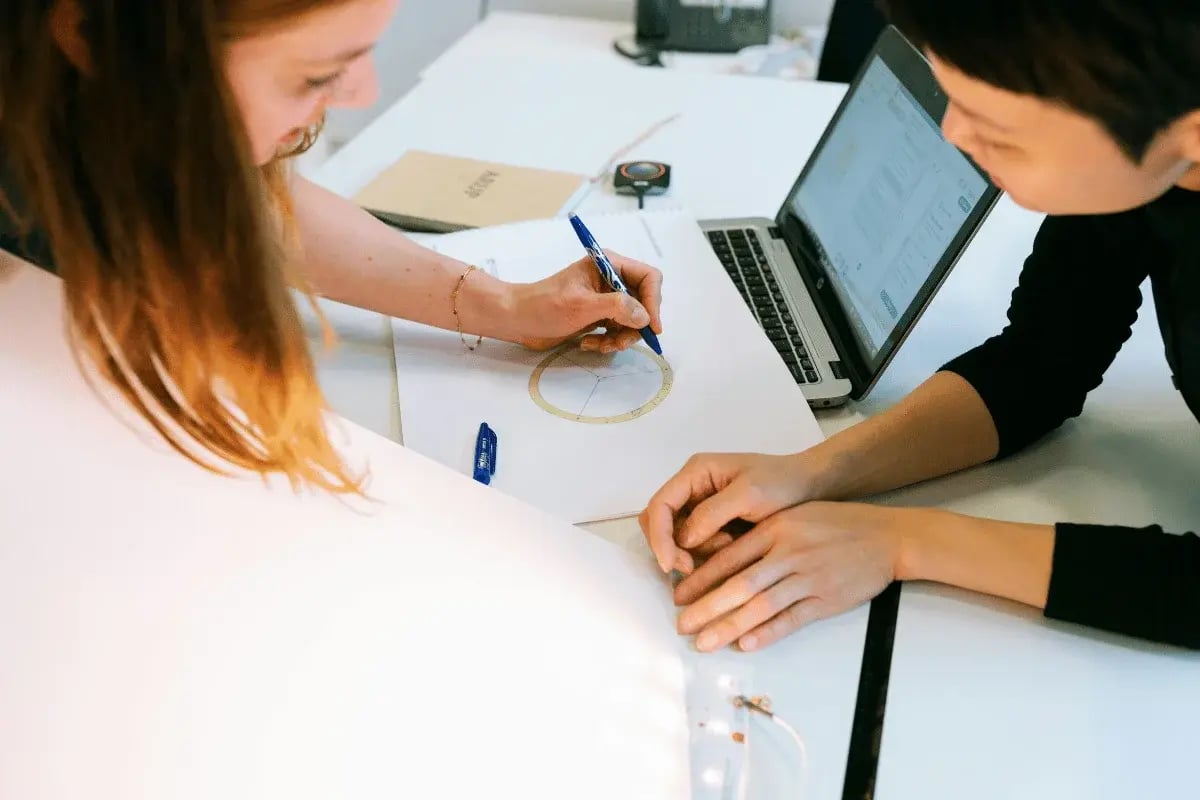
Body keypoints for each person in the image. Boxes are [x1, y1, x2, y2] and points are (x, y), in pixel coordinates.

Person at [640, 0, 1200, 653]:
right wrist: (811, 473)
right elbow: (1043, 364)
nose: (953, 135)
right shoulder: (1133, 167)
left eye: (999, 130)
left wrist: (900, 542)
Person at [0, 0, 663, 493]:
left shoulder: (108, 101)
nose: (363, 93)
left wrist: (505, 306)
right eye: (317, 74)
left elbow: (255, 200)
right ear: (97, 37)